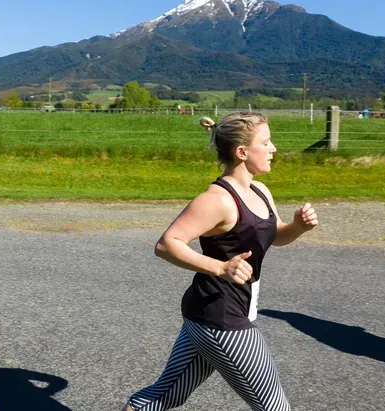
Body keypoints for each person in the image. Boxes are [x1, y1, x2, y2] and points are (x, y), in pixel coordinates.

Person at [122, 112, 318, 411]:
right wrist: (220, 267)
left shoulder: (259, 191)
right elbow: (166, 244)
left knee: (165, 396)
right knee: (274, 407)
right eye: (265, 142)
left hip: (211, 312)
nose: (273, 148)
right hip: (222, 319)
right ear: (241, 152)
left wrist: (297, 227)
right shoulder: (217, 200)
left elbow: (275, 235)